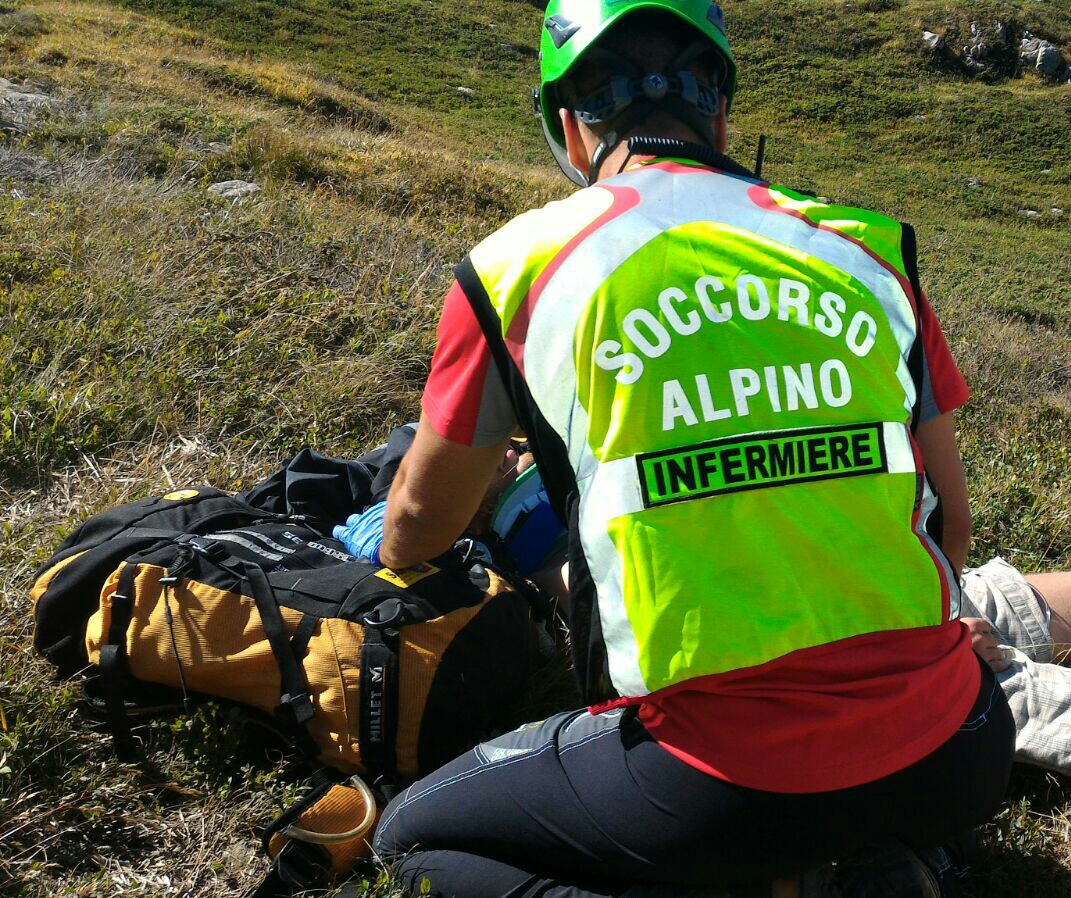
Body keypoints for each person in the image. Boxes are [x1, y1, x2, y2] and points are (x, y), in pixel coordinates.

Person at [336, 2, 1018, 895]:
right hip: (958, 746)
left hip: (711, 780)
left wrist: (396, 550)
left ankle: (778, 860)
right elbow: (951, 525)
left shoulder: (515, 267)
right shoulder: (871, 249)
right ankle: (872, 853)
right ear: (720, 113)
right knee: (852, 801)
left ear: (569, 127)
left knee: (412, 844)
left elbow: (419, 523)